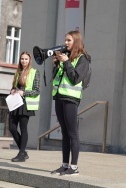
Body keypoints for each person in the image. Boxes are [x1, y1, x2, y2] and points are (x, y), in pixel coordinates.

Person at [50, 30, 90, 176]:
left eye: (68, 40)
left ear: (76, 42)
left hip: (71, 99)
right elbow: (57, 78)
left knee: (73, 133)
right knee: (65, 133)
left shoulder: (83, 59)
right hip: (59, 97)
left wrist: (66, 62)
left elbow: (75, 79)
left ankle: (74, 167)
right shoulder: (66, 58)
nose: (65, 43)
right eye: (65, 40)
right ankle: (65, 164)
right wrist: (56, 64)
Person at [9, 51, 40, 162]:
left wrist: (24, 92)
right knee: (12, 128)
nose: (24, 61)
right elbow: (14, 87)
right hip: (15, 103)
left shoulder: (34, 72)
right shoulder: (18, 72)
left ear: (29, 60)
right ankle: (23, 151)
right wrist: (12, 90)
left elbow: (36, 91)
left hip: (26, 104)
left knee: (23, 128)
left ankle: (21, 153)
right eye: (22, 58)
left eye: (26, 59)